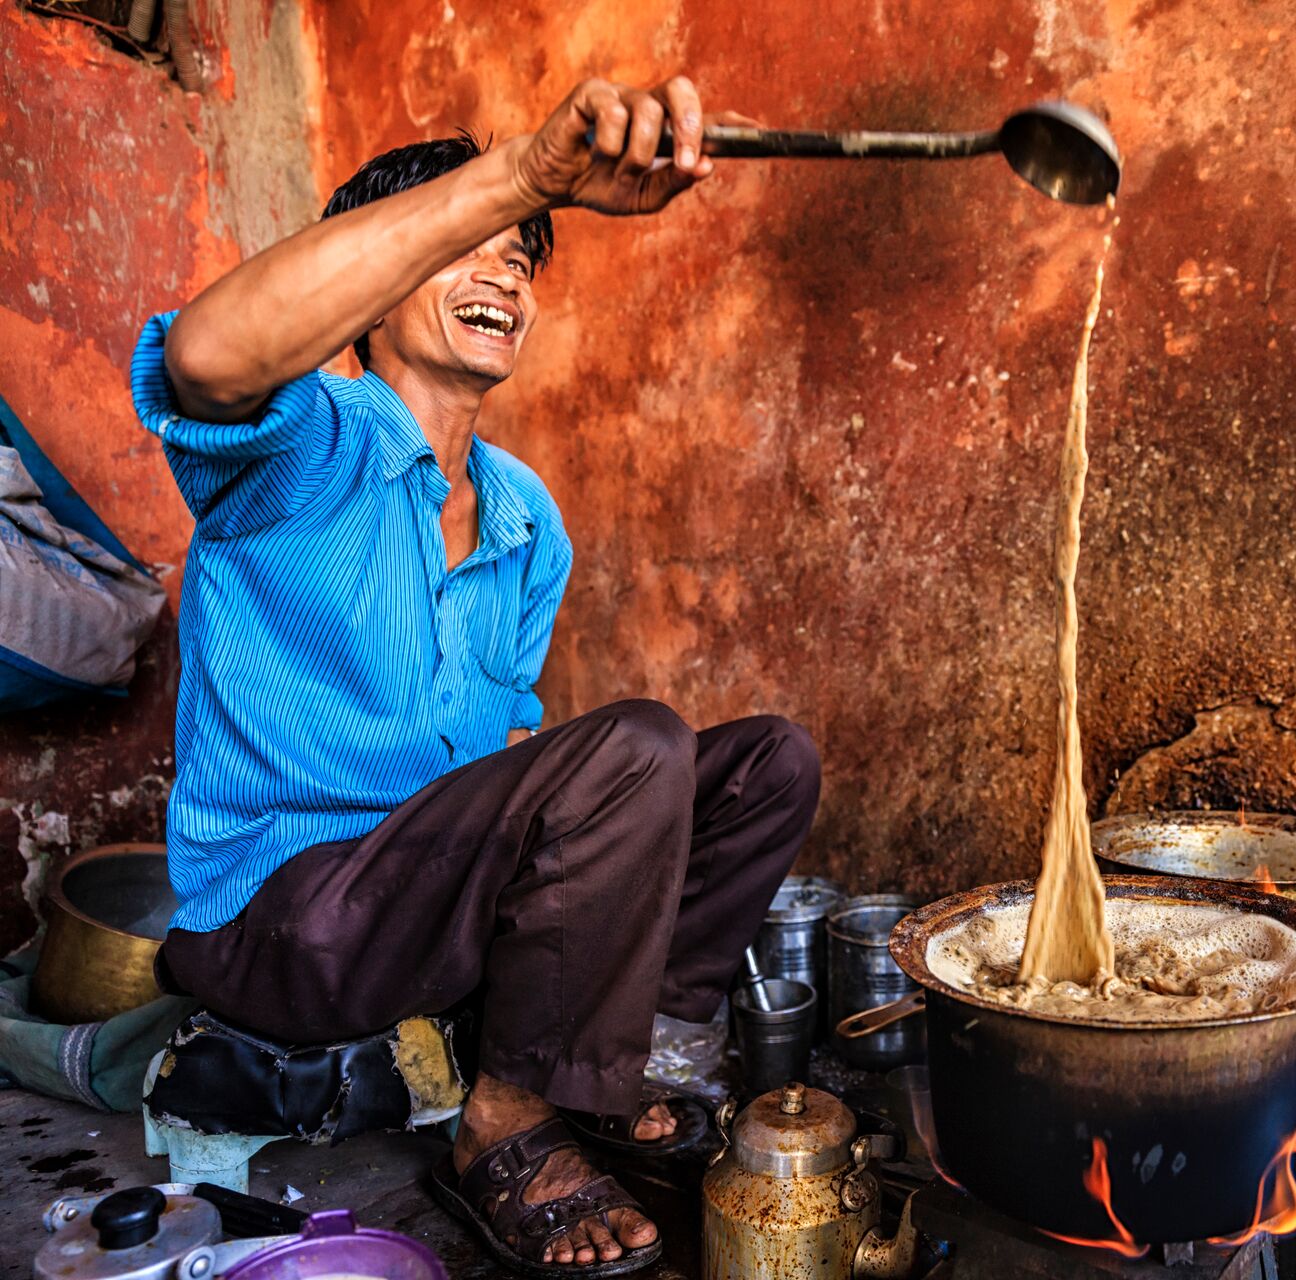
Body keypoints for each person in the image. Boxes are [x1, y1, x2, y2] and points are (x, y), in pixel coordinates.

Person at [131, 77, 815, 1274]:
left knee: (764, 764)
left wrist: (586, 819)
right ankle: (502, 1124)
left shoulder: (522, 515)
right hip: (285, 919)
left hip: (429, 896)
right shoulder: (306, 439)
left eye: (524, 257)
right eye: (465, 249)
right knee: (637, 743)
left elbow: (503, 752)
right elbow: (205, 350)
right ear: (376, 280)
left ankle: (608, 1065)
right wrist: (515, 172)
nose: (504, 274)